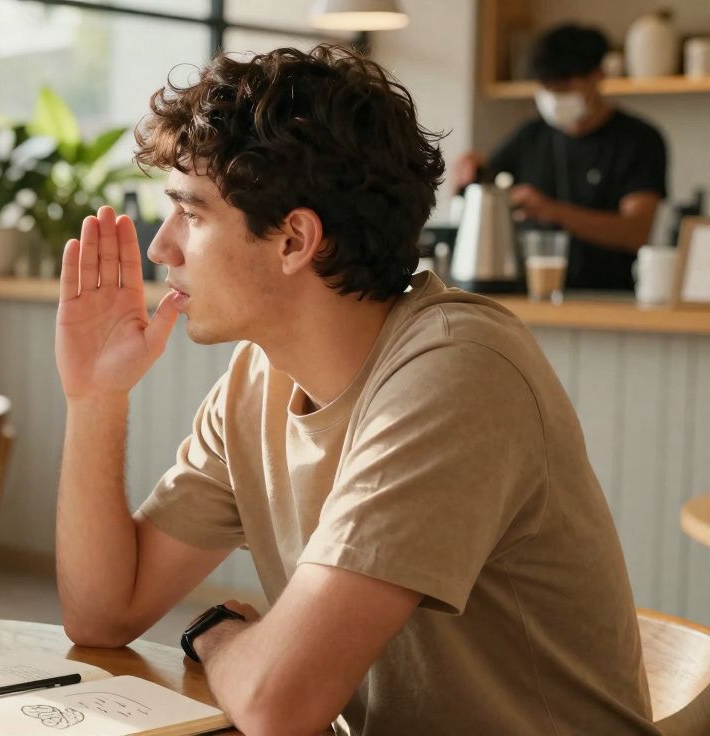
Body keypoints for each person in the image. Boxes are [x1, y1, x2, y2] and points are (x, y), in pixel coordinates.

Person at [54, 46, 657, 735]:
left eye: (191, 213)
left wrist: (218, 635)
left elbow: (280, 705)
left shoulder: (458, 372)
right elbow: (104, 613)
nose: (161, 247)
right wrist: (95, 398)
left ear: (294, 241)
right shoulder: (258, 379)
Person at [453, 24, 667, 290]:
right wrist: (471, 170)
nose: (554, 96)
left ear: (597, 76)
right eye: (546, 86)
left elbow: (636, 231)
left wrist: (552, 211)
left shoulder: (638, 140)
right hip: (532, 295)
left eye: (564, 86)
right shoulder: (531, 135)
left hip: (609, 296)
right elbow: (485, 179)